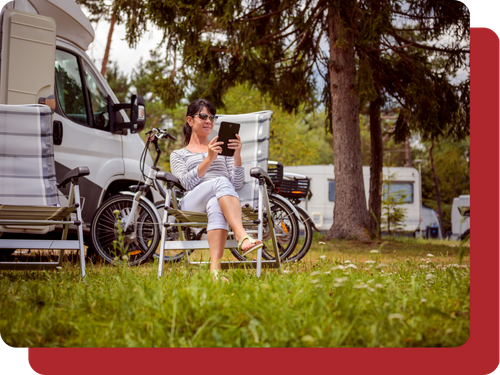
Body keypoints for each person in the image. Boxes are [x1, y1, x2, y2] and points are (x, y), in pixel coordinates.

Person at [170, 99, 263, 282]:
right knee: (220, 181)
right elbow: (186, 184)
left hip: (221, 199)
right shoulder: (179, 154)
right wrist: (210, 158)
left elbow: (236, 184)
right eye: (203, 116)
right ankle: (242, 235)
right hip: (192, 204)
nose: (208, 121)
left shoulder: (222, 149)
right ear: (190, 120)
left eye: (212, 117)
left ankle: (215, 272)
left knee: (216, 203)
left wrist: (237, 155)